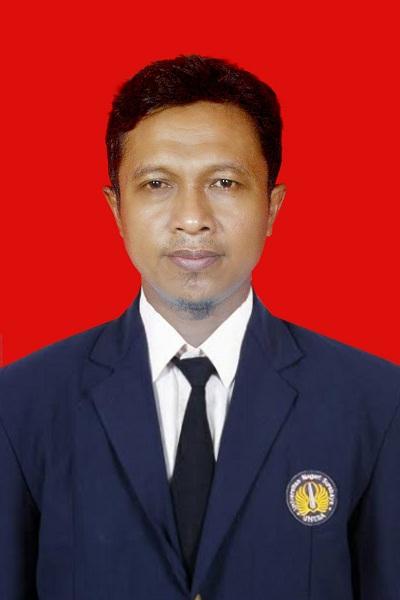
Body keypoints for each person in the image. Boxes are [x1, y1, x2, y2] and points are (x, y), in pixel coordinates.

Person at [0, 54, 399, 600]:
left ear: (272, 207)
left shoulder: (375, 404)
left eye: (225, 182)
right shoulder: (20, 405)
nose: (192, 218)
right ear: (116, 210)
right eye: (157, 183)